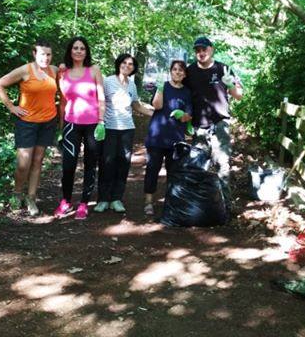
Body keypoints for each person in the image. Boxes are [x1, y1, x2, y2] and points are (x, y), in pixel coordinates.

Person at [0, 39, 58, 216]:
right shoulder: (25, 70)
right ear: (34, 54)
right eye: (42, 54)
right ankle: (16, 193)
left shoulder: (54, 71)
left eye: (49, 54)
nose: (46, 57)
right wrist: (11, 107)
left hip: (48, 122)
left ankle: (31, 197)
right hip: (27, 123)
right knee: (24, 163)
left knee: (38, 161)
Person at [184, 36, 243, 211]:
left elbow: (239, 95)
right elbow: (181, 92)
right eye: (198, 50)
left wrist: (230, 84)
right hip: (199, 125)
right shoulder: (190, 71)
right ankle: (198, 205)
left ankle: (226, 205)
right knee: (198, 164)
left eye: (204, 49)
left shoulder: (223, 69)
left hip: (220, 123)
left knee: (223, 164)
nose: (201, 53)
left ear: (211, 49)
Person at [53, 37, 105, 220]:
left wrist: (101, 121)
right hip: (71, 124)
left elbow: (101, 97)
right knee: (68, 164)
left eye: (82, 48)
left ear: (86, 52)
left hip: (92, 124)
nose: (78, 51)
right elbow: (63, 101)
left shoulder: (94, 70)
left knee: (91, 164)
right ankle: (65, 201)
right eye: (75, 48)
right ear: (70, 51)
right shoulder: (62, 72)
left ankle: (83, 204)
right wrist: (61, 128)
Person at [94, 53, 154, 213]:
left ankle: (116, 199)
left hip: (127, 129)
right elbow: (98, 101)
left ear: (133, 68)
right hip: (109, 128)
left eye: (130, 64)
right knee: (107, 162)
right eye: (124, 63)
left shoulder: (132, 85)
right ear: (119, 64)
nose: (127, 66)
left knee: (123, 163)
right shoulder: (107, 81)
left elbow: (136, 105)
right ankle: (103, 199)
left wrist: (155, 114)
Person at [143, 60, 192, 216]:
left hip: (175, 139)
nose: (177, 72)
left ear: (185, 74)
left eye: (181, 70)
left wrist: (181, 114)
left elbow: (188, 117)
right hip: (157, 136)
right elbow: (157, 106)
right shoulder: (163, 86)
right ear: (170, 71)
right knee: (152, 169)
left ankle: (171, 202)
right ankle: (148, 202)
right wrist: (160, 89)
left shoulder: (187, 92)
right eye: (175, 69)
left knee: (173, 172)